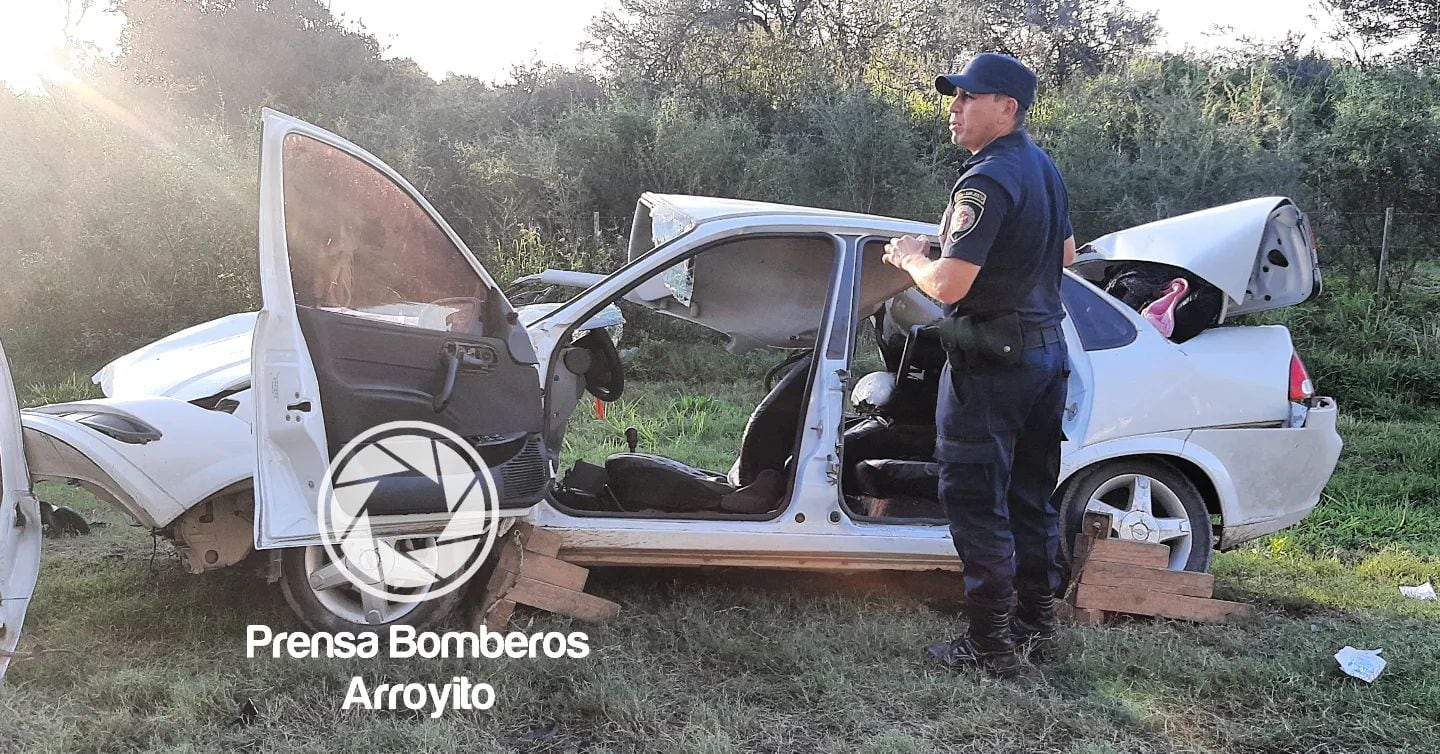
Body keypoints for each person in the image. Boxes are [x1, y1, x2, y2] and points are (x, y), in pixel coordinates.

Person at [882, 52, 1076, 677]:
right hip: (1046, 353)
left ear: (1007, 108)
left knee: (975, 499)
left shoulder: (986, 179)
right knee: (1031, 498)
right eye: (954, 97)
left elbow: (948, 287)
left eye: (968, 97)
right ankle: (1035, 628)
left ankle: (989, 645)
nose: (954, 108)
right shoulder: (1042, 168)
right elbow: (1066, 256)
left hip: (993, 362)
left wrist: (913, 256)